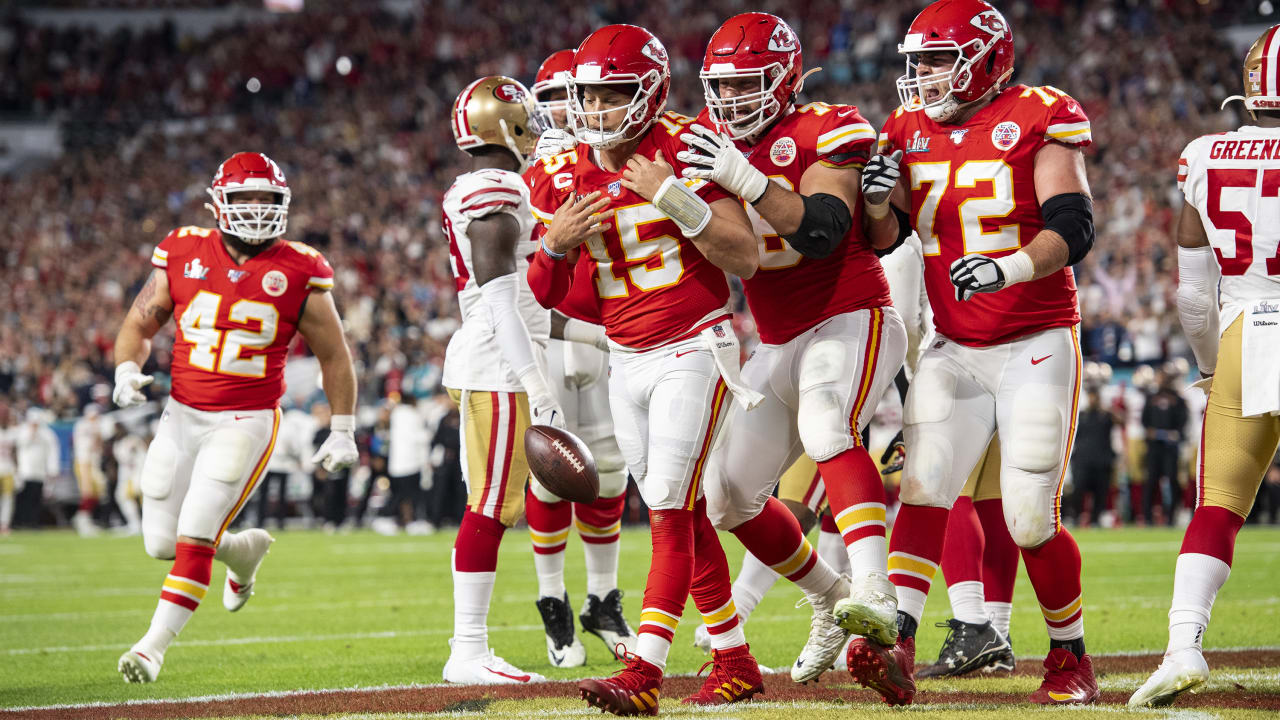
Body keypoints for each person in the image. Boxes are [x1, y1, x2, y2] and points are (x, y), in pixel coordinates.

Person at [851, 0, 1097, 705]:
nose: (923, 75)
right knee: (923, 487)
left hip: (1037, 338)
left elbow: (1074, 225)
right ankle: (898, 641)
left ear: (986, 58)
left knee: (1028, 515)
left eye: (936, 59)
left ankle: (1069, 654)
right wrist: (875, 205)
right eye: (918, 61)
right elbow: (885, 239)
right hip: (954, 343)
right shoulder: (906, 128)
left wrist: (1008, 267)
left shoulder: (1041, 113)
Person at [526, 24, 763, 712]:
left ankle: (644, 670)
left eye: (613, 93)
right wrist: (553, 246)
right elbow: (548, 295)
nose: (597, 110)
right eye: (588, 95)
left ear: (652, 90)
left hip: (695, 345)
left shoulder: (688, 147)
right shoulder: (566, 167)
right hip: (624, 357)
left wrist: (673, 197)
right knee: (682, 514)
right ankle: (736, 660)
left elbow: (743, 256)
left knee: (664, 508)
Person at [678, 12, 906, 682]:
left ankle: (873, 587)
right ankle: (830, 596)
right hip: (774, 340)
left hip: (851, 315)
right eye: (722, 85)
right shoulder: (704, 143)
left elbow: (826, 231)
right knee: (724, 493)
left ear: (784, 80)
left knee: (825, 418)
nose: (732, 99)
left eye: (749, 84)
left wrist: (745, 180)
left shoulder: (827, 126)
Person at [111, 151, 359, 683]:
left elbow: (334, 354)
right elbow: (139, 322)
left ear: (283, 203)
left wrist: (343, 429)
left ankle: (152, 647)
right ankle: (242, 554)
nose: (255, 209)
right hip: (181, 414)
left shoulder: (300, 267)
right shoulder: (182, 250)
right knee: (160, 542)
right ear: (217, 202)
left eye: (265, 199)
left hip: (245, 419)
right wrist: (126, 369)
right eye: (244, 197)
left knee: (196, 530)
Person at [1130, 24, 1280, 707]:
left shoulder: (1201, 154)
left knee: (1217, 504)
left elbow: (1193, 292)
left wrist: (1209, 365)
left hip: (1246, 330)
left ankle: (1183, 646)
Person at [438, 75, 555, 685]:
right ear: (502, 125)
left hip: (490, 356)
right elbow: (502, 300)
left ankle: (469, 647)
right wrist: (536, 383)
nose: (535, 130)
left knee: (488, 504)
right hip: (498, 361)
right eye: (526, 120)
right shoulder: (497, 186)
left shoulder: (477, 185)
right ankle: (469, 650)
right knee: (492, 505)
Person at [523, 48, 637, 670]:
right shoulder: (530, 170)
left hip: (618, 328)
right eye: (553, 101)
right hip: (560, 335)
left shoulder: (614, 156)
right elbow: (524, 286)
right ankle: (551, 599)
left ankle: (601, 599)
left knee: (611, 473)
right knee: (553, 470)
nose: (565, 113)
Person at [1141, 365, 1189, 526]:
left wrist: (1175, 434)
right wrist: (1151, 432)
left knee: (1172, 479)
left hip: (1170, 447)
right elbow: (1144, 420)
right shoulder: (1151, 398)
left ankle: (1171, 516)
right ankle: (1147, 516)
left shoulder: (1178, 399)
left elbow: (1183, 420)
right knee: (1152, 480)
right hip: (1154, 446)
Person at [14, 408, 60, 529]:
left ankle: (33, 522)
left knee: (36, 499)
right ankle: (21, 522)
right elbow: (20, 445)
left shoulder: (47, 433)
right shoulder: (23, 431)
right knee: (23, 499)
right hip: (25, 471)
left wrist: (52, 469)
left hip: (40, 472)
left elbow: (52, 452)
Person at [72, 404, 110, 536]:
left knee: (99, 491)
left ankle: (84, 518)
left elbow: (102, 440)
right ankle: (82, 520)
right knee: (87, 492)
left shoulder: (99, 425)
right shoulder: (82, 425)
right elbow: (86, 444)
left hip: (94, 462)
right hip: (84, 461)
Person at [112, 424, 148, 536]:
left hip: (136, 473)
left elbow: (134, 457)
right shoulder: (119, 443)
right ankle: (136, 524)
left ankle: (138, 524)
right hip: (128, 475)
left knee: (129, 497)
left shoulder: (131, 440)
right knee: (125, 498)